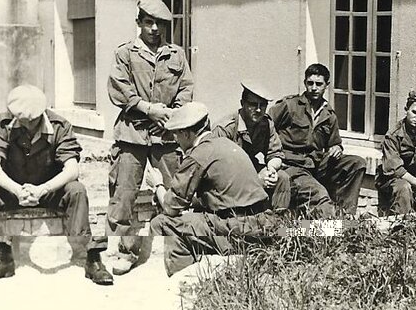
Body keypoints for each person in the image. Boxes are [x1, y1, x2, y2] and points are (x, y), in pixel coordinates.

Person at [0, 84, 112, 285]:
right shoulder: (1, 124)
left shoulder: (60, 126)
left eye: (33, 120)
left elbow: (72, 170)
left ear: (42, 113)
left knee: (77, 190)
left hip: (49, 191)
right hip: (13, 190)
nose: (27, 124)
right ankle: (2, 257)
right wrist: (17, 190)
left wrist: (42, 190)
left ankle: (91, 259)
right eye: (20, 119)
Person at [103, 0, 194, 274]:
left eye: (160, 24)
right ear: (139, 23)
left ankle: (177, 247)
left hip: (166, 136)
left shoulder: (176, 55)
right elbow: (120, 89)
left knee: (177, 190)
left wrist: (168, 119)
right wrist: (148, 110)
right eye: (149, 22)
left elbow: (186, 91)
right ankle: (126, 251)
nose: (155, 29)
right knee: (125, 194)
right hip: (133, 133)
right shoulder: (126, 53)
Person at [148, 103, 277, 276]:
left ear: (186, 133)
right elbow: (221, 194)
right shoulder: (226, 143)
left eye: (177, 135)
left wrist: (157, 185)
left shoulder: (198, 155)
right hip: (263, 224)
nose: (177, 142)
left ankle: (184, 282)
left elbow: (170, 207)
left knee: (162, 224)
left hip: (239, 232)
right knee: (193, 220)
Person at [269, 63, 366, 216]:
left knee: (357, 163)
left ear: (326, 85)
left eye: (319, 84)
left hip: (315, 164)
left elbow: (335, 143)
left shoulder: (329, 114)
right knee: (319, 195)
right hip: (292, 165)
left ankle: (345, 217)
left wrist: (337, 148)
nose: (314, 88)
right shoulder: (289, 106)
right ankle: (325, 230)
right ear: (305, 83)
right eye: (310, 83)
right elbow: (266, 127)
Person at [211, 82, 291, 211]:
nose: (259, 110)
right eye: (253, 105)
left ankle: (278, 222)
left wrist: (271, 170)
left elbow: (275, 153)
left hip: (248, 170)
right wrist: (256, 179)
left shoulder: (266, 124)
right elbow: (217, 169)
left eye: (263, 105)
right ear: (242, 103)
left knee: (282, 177)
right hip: (226, 178)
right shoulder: (226, 128)